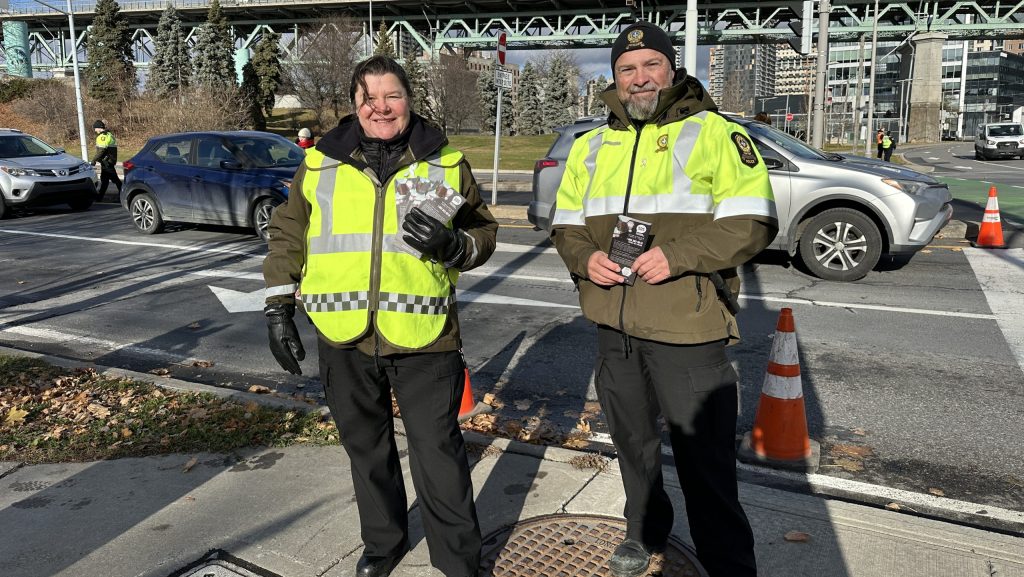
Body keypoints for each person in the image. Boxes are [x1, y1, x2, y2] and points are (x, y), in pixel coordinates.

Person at [550, 22, 778, 577]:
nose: (639, 78)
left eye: (650, 64)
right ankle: (645, 531)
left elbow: (753, 222)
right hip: (615, 324)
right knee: (633, 445)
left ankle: (729, 566)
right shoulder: (590, 146)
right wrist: (586, 260)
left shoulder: (717, 134)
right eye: (626, 69)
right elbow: (565, 224)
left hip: (688, 327)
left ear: (671, 68)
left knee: (707, 465)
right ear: (615, 78)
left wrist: (678, 256)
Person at [262, 55, 496, 577]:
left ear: (410, 99)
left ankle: (459, 563)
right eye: (369, 99)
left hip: (425, 334)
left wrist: (455, 246)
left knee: (438, 456)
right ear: (354, 106)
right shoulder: (319, 163)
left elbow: (484, 233)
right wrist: (278, 304)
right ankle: (384, 548)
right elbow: (288, 235)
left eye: (392, 96)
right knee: (366, 453)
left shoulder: (446, 160)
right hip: (342, 334)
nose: (381, 108)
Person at [91, 120, 121, 201]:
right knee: (104, 180)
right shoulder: (109, 134)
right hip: (108, 161)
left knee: (115, 180)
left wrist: (93, 161)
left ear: (99, 128)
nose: (95, 130)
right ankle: (99, 197)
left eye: (95, 128)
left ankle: (123, 195)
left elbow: (101, 150)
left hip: (107, 162)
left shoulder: (102, 137)